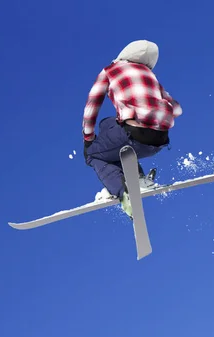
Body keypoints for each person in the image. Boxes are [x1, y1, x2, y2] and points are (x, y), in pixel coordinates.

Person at [82, 40, 183, 217]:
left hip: (134, 134)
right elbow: (176, 109)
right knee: (108, 125)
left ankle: (122, 192)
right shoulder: (150, 75)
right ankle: (139, 180)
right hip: (160, 140)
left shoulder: (111, 70)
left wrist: (88, 139)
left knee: (94, 154)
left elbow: (92, 106)